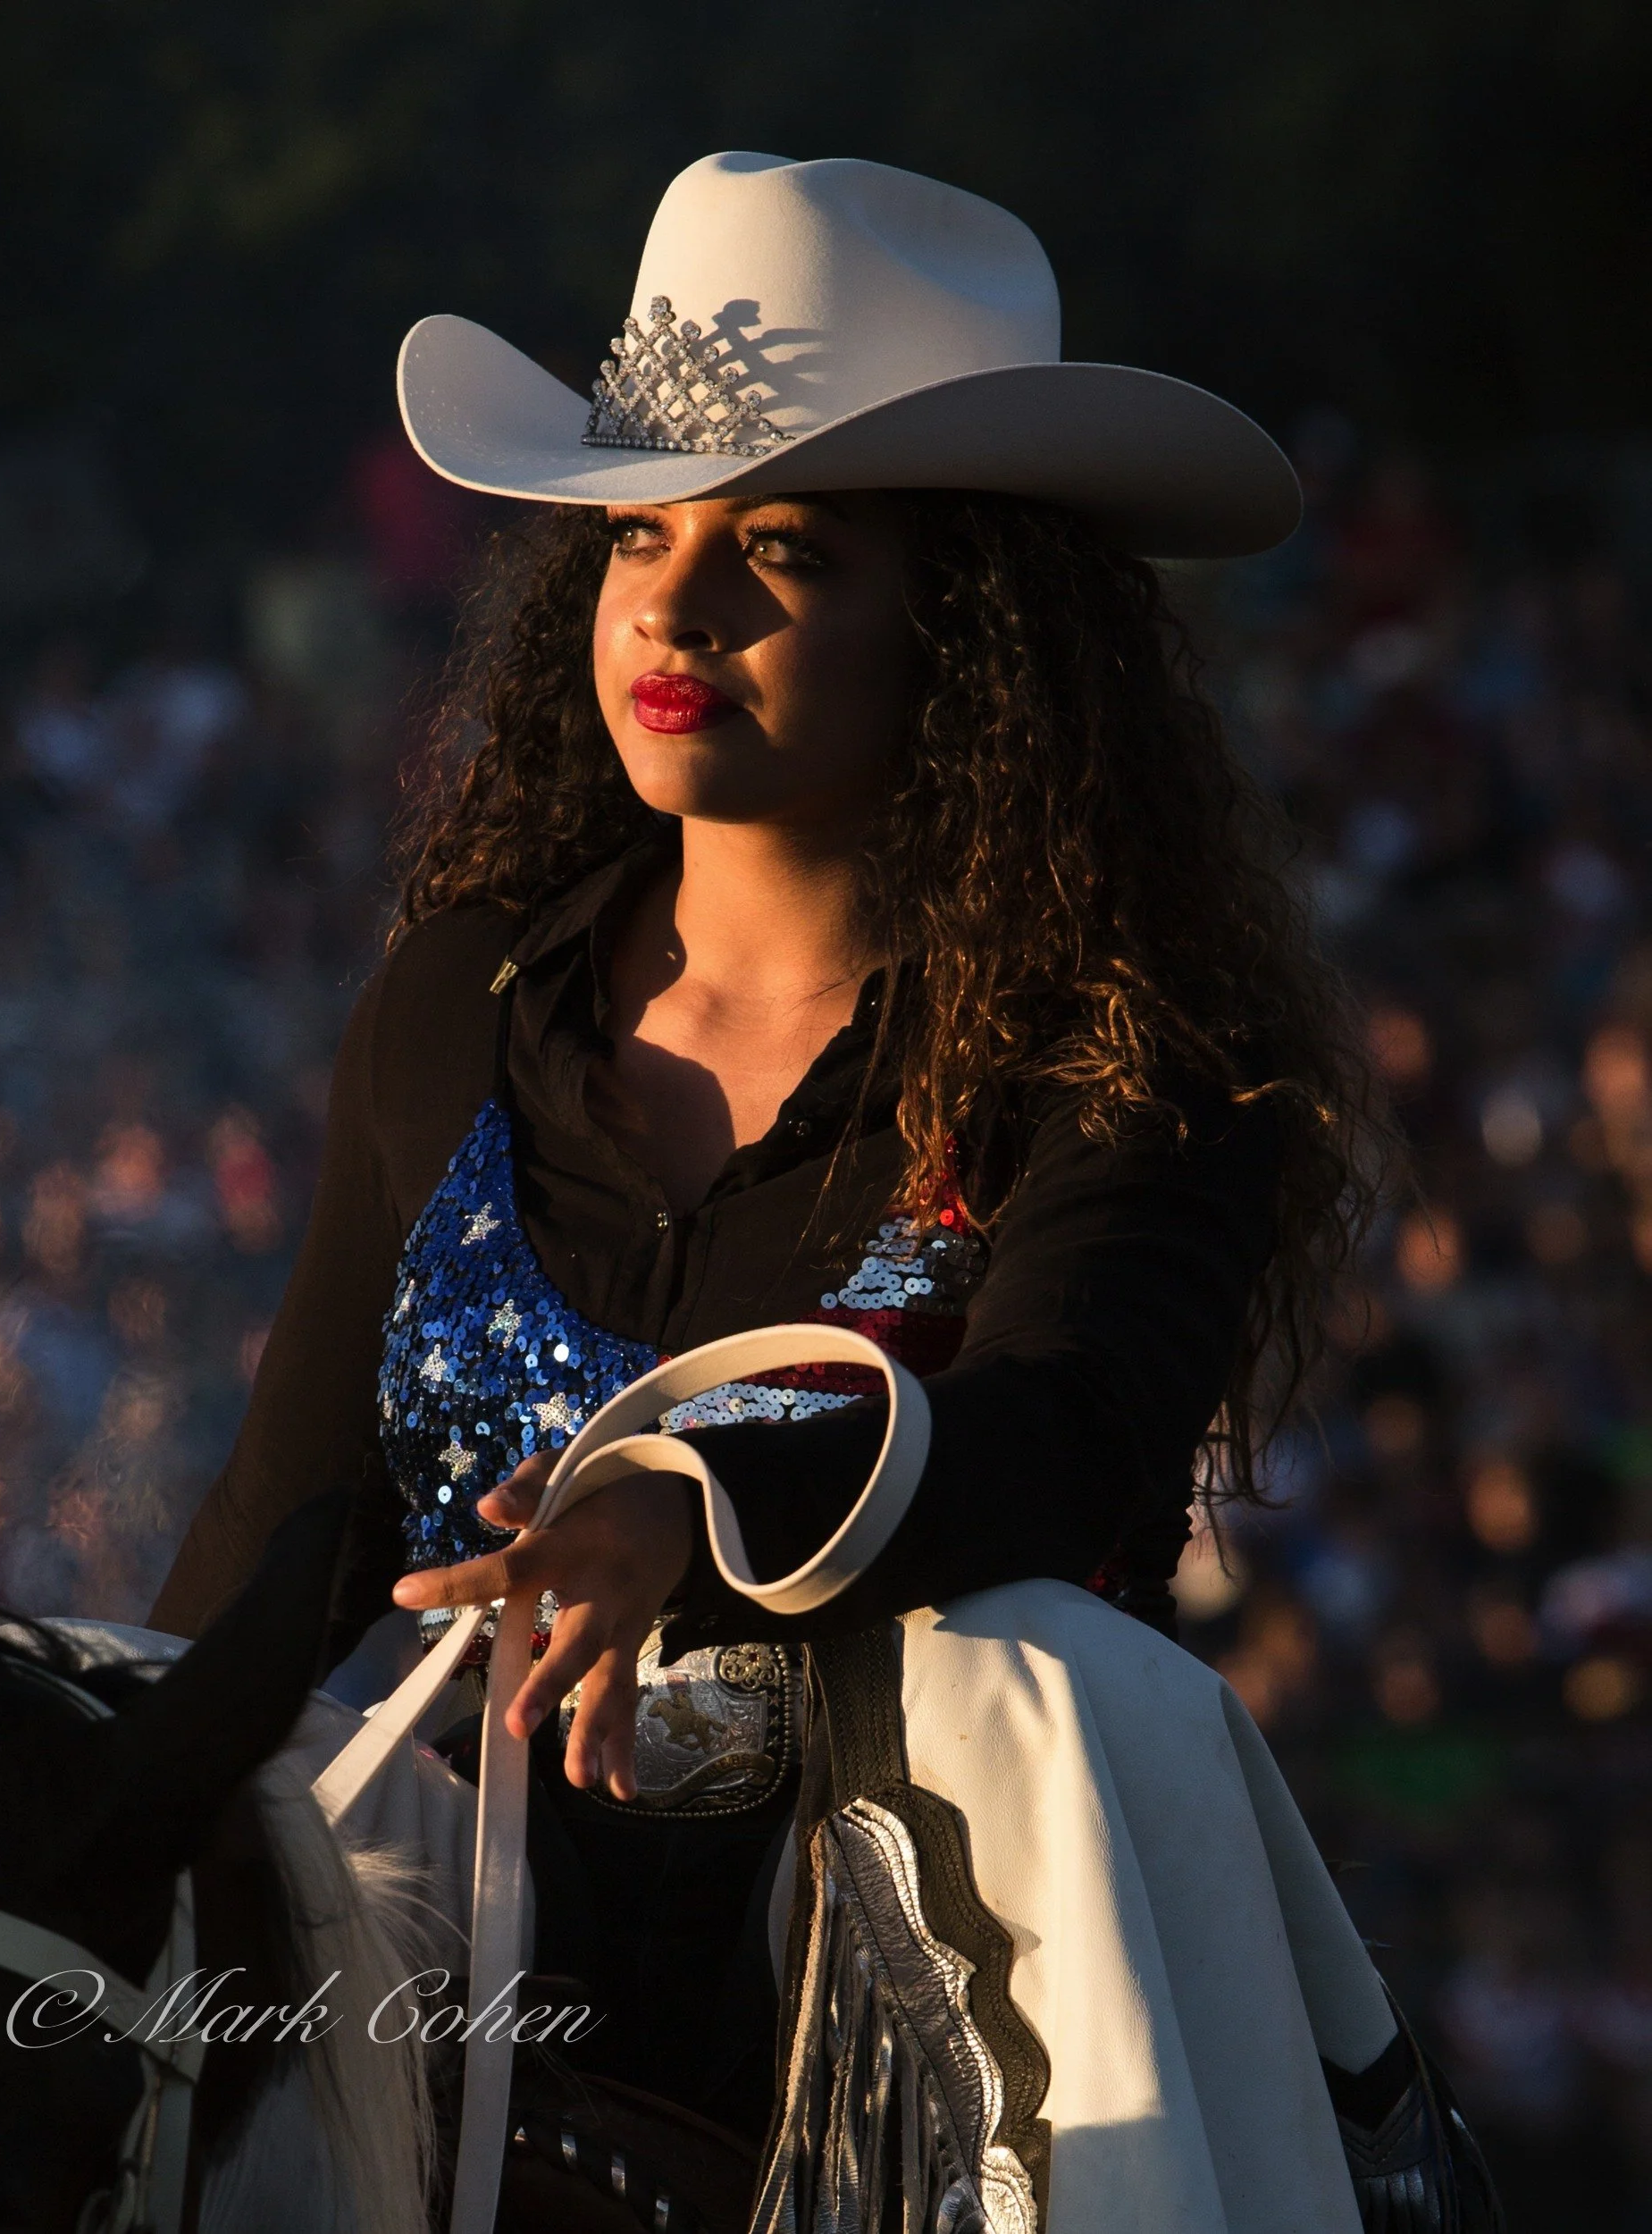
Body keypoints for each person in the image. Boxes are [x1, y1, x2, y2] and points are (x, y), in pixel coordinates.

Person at [153, 153, 1497, 2230]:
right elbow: (288, 1518)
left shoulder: (1137, 1047)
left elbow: (1070, 1437)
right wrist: (95, 1785)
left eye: (783, 550)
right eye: (642, 539)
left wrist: (692, 1503)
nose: (680, 609)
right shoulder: (458, 999)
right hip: (464, 2023)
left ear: (970, 628)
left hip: (962, 2066)